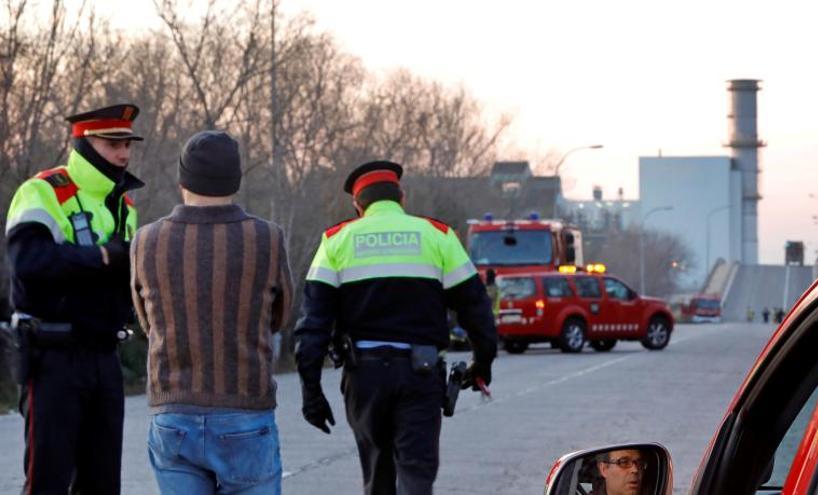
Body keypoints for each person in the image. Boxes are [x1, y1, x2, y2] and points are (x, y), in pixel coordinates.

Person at [294, 160, 497, 494]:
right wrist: (483, 361)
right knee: (416, 475)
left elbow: (312, 325)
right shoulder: (438, 235)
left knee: (378, 474)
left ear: (358, 205)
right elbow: (475, 307)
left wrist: (311, 392)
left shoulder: (335, 241)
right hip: (421, 374)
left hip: (364, 378)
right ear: (401, 198)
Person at [130, 131, 293, 494]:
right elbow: (280, 316)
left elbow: (147, 321)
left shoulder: (146, 241)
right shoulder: (267, 238)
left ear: (182, 180)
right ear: (235, 180)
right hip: (245, 408)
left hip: (172, 411)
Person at [5, 103, 144, 494]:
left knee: (102, 484)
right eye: (113, 143)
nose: (124, 154)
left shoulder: (124, 205)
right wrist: (101, 257)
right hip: (53, 358)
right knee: (47, 481)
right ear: (84, 142)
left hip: (104, 356)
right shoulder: (43, 191)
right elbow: (28, 261)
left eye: (128, 144)